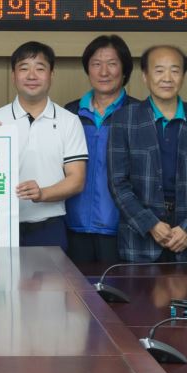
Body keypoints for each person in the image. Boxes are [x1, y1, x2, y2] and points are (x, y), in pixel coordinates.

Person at [108, 45, 187, 262]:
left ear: (183, 76)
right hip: (140, 240)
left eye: (175, 70)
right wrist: (150, 223)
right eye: (159, 70)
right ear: (145, 76)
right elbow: (118, 183)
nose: (167, 78)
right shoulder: (124, 119)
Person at [0, 41, 87, 250]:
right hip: (1, 226)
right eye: (24, 68)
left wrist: (42, 194)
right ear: (13, 75)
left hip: (50, 227)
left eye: (40, 68)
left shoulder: (69, 121)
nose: (32, 76)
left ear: (51, 75)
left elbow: (76, 180)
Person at [64, 35, 134, 264]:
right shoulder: (69, 113)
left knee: (121, 287)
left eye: (112, 64)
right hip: (73, 225)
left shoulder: (138, 114)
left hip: (123, 228)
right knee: (74, 287)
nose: (104, 72)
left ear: (124, 70)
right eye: (96, 64)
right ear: (88, 69)